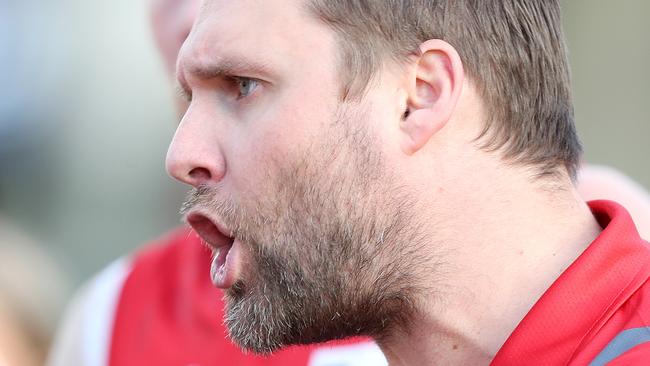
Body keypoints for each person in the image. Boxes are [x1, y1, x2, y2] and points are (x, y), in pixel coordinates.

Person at [48, 0, 650, 365]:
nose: (182, 155)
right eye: (187, 96)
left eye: (242, 85)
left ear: (419, 95)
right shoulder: (116, 313)